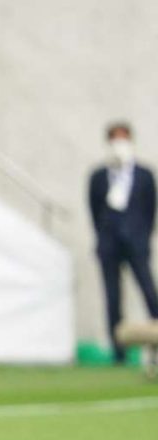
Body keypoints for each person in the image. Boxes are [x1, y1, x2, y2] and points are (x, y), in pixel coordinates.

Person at [89, 121, 158, 364]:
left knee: (150, 292)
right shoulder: (98, 177)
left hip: (137, 244)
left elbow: (151, 210)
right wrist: (102, 239)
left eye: (123, 138)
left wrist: (143, 237)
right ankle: (119, 353)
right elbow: (95, 212)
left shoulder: (144, 175)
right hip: (109, 245)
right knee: (113, 298)